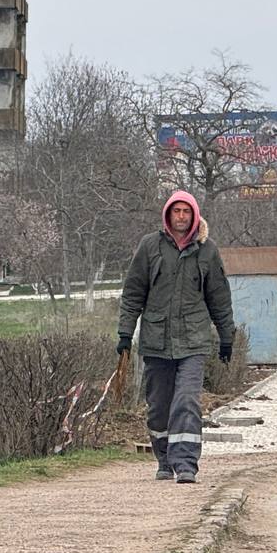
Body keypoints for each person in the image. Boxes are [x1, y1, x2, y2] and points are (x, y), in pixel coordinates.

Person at [117, 190, 235, 484]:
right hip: (156, 340)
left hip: (193, 340)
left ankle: (185, 464)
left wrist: (226, 337)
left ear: (194, 215)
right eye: (176, 211)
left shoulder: (207, 250)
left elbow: (219, 298)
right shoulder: (150, 246)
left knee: (186, 400)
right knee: (158, 405)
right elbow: (133, 294)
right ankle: (164, 458)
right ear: (168, 214)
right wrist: (124, 334)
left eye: (186, 212)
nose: (181, 217)